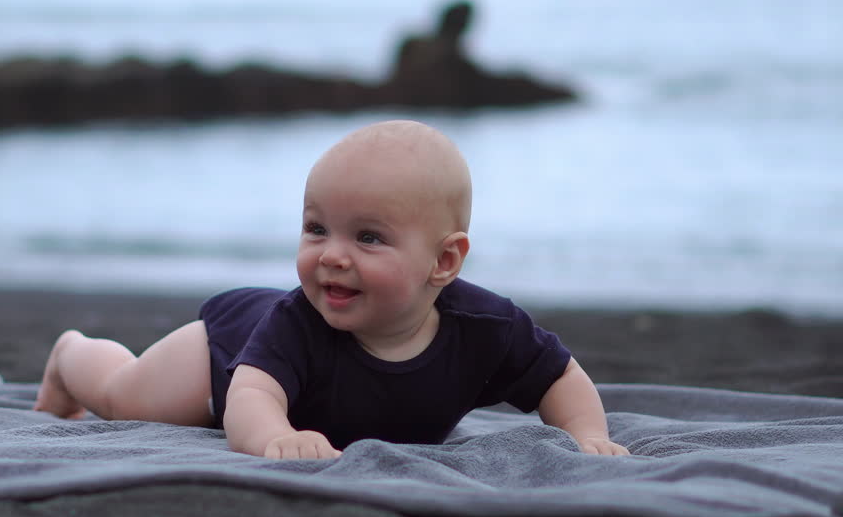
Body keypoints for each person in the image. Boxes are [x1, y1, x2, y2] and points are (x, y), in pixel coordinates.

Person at [34, 120, 629, 460]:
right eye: (316, 229)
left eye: (368, 238)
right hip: (225, 355)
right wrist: (276, 438)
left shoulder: (486, 329)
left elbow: (560, 378)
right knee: (126, 399)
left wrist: (588, 437)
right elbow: (250, 398)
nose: (332, 256)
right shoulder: (297, 323)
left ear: (444, 261)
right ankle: (71, 356)